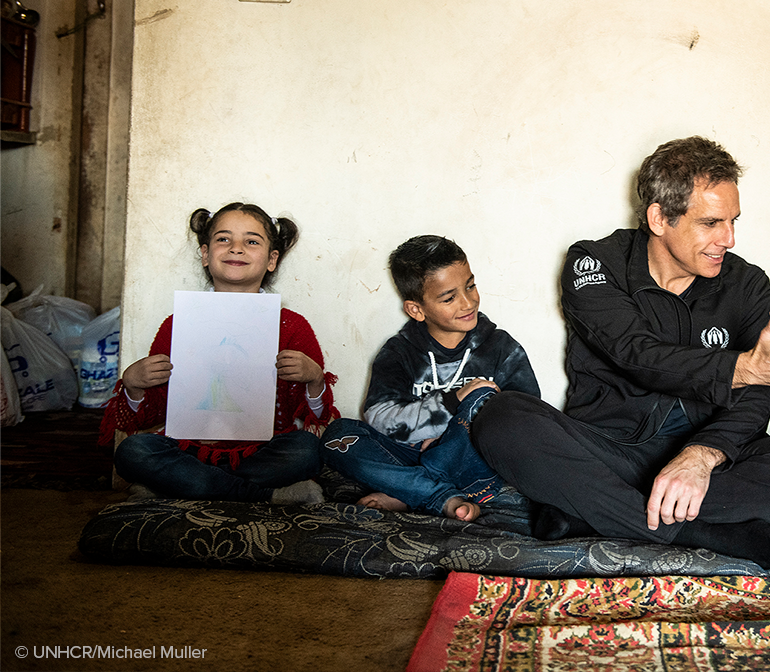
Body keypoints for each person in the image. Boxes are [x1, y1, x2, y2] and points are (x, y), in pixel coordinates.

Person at [473, 137, 770, 570]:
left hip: (705, 459)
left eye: (733, 221)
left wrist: (702, 455)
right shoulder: (594, 263)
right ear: (659, 218)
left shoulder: (748, 284)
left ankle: (587, 511)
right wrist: (743, 368)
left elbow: (757, 395)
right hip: (610, 449)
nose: (730, 238)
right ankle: (695, 530)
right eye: (711, 223)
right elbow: (637, 353)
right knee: (501, 417)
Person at [100, 203, 338, 504]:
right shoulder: (178, 323)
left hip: (263, 452)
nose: (236, 248)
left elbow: (313, 417)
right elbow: (156, 412)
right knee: (133, 452)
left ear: (271, 260)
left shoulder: (291, 326)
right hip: (189, 449)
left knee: (307, 449)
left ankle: (176, 486)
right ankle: (266, 495)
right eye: (223, 239)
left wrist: (314, 379)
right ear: (204, 254)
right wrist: (134, 384)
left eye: (251, 241)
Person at [319, 235, 540, 522]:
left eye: (470, 286)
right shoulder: (399, 351)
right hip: (410, 454)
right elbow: (380, 417)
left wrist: (455, 437)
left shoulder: (501, 348)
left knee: (483, 398)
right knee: (338, 436)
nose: (467, 302)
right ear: (416, 309)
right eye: (449, 297)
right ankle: (439, 495)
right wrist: (451, 402)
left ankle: (408, 490)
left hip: (470, 458)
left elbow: (528, 419)